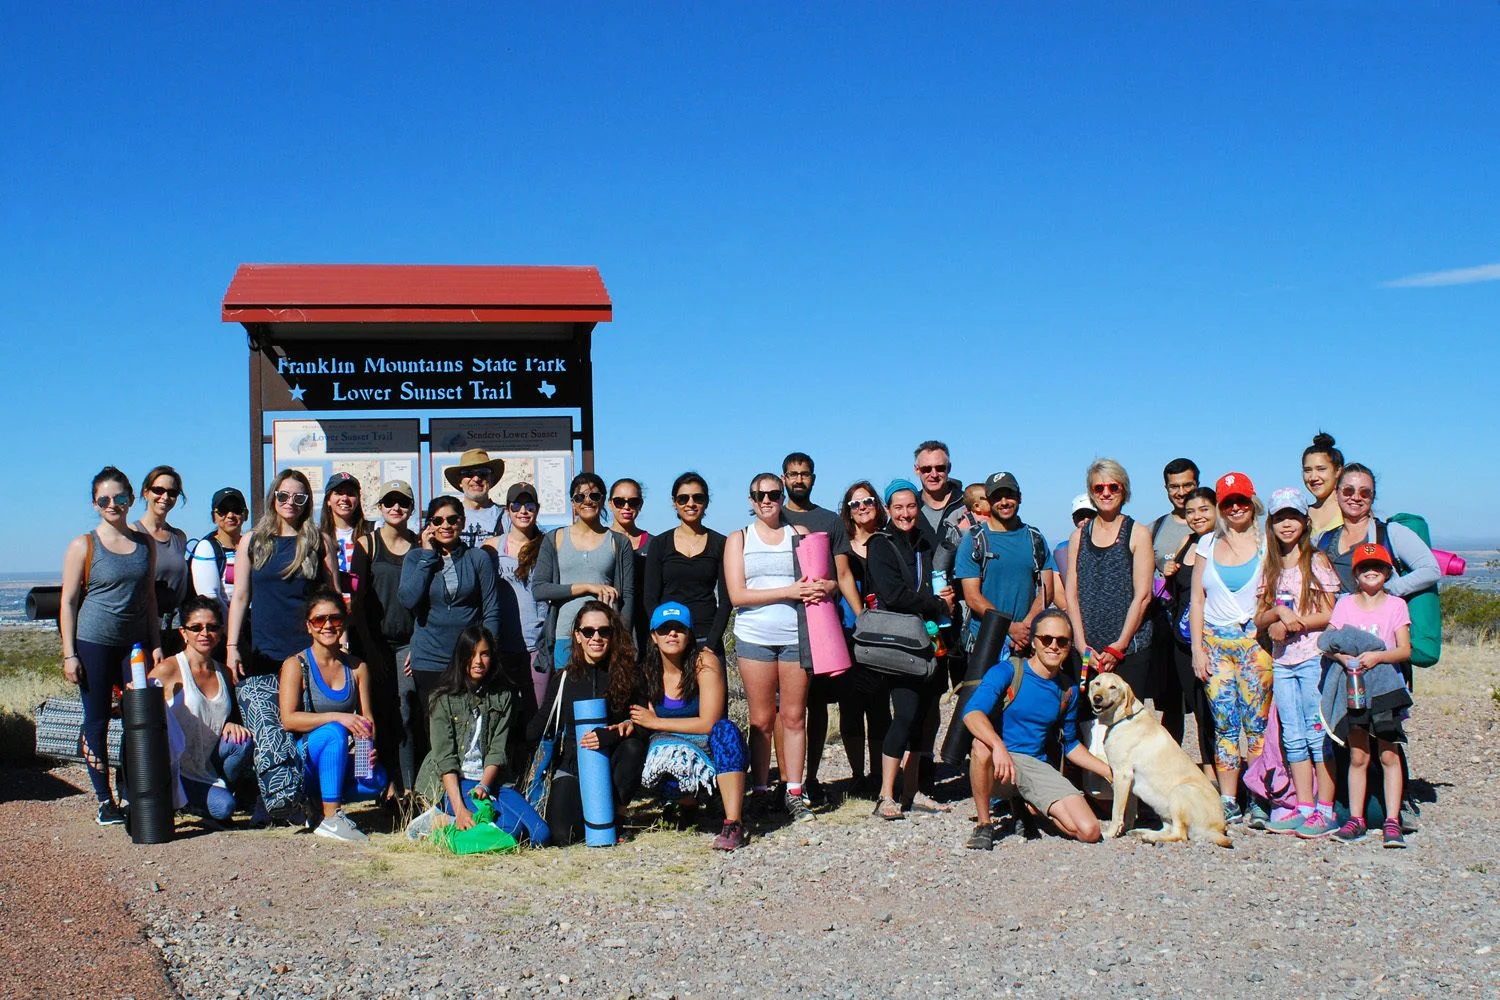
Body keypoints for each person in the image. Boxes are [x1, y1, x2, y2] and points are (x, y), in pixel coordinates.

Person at [226, 469, 338, 820]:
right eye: (284, 496)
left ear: (307, 502)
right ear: (273, 497)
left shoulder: (319, 540)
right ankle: (269, 797)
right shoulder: (252, 541)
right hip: (264, 649)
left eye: (299, 498)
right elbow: (241, 596)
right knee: (269, 728)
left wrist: (340, 641)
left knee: (305, 722)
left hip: (307, 650)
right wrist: (231, 645)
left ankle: (310, 798)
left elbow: (332, 597)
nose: (291, 503)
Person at [59, 466, 163, 825]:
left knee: (139, 718)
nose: (113, 504)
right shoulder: (83, 545)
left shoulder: (144, 544)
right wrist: (69, 654)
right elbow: (69, 602)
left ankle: (134, 791)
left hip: (133, 644)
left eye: (120, 498)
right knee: (98, 720)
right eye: (104, 499)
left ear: (131, 499)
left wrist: (156, 642)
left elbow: (149, 597)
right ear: (95, 503)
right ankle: (104, 799)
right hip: (94, 642)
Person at [722, 472, 827, 821]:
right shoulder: (739, 539)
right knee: (762, 719)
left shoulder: (800, 535)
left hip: (796, 636)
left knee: (795, 716)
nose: (766, 500)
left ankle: (794, 790)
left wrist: (822, 588)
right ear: (750, 500)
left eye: (773, 494)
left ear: (782, 497)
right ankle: (762, 790)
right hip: (755, 638)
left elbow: (820, 580)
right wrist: (787, 591)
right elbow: (737, 595)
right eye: (759, 495)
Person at [960, 609, 1111, 849]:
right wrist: (998, 746)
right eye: (1046, 639)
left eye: (1062, 641)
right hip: (999, 765)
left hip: (1036, 766)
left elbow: (1070, 744)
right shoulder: (1008, 671)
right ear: (1033, 641)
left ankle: (1027, 805)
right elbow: (972, 714)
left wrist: (1109, 771)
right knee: (981, 745)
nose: (1054, 646)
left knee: (1089, 831)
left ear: (1069, 645)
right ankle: (984, 823)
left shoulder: (1067, 690)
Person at [863, 479, 956, 820]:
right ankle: (886, 795)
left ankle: (913, 791)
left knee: (926, 716)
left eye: (911, 506)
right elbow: (894, 594)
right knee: (904, 714)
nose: (905, 513)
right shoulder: (881, 545)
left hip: (930, 639)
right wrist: (936, 604)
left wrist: (944, 602)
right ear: (888, 510)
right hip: (902, 642)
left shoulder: (922, 542)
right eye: (898, 507)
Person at [1253, 489, 1340, 837]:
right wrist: (1278, 613)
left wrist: (1295, 623)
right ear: (1271, 524)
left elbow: (1333, 613)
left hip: (1311, 659)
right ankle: (1303, 805)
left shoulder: (1315, 561)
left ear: (1305, 521)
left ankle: (1326, 807)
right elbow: (1259, 617)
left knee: (1317, 733)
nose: (1286, 525)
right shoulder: (1271, 566)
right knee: (1292, 736)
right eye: (1279, 519)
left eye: (1293, 517)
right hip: (1283, 662)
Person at [629, 602, 750, 851]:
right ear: (653, 636)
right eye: (664, 629)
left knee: (725, 731)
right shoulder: (647, 672)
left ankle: (734, 824)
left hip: (709, 751)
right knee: (656, 753)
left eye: (679, 629)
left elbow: (709, 723)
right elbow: (645, 723)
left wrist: (658, 722)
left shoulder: (705, 662)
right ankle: (687, 806)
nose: (671, 634)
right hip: (673, 751)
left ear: (690, 633)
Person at [1188, 472, 1271, 825]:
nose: (1235, 508)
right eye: (1228, 503)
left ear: (1253, 502)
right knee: (1224, 724)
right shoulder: (1206, 544)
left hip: (1256, 644)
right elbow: (1197, 599)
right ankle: (1228, 798)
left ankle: (1259, 796)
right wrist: (1197, 649)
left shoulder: (1269, 543)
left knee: (1257, 726)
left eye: (1241, 501)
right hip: (1215, 644)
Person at [398, 495, 503, 771]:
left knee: (467, 726)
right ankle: (430, 792)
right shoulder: (415, 558)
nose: (446, 525)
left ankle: (466, 788)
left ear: (462, 522)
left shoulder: (477, 558)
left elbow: (490, 608)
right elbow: (408, 599)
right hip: (429, 658)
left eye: (453, 519)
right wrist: (428, 555)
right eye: (438, 520)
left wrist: (487, 653)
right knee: (432, 728)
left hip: (467, 659)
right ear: (429, 525)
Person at [527, 602, 645, 844]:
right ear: (577, 636)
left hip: (612, 762)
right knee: (563, 836)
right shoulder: (564, 679)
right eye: (588, 631)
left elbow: (645, 724)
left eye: (604, 631)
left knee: (633, 748)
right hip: (572, 765)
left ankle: (617, 817)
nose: (596, 637)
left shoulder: (630, 675)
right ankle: (590, 811)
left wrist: (613, 734)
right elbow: (541, 723)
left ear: (613, 635)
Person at [780, 452, 861, 802]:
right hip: (783, 622)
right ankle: (785, 783)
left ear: (814, 478)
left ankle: (810, 778)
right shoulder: (772, 516)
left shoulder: (830, 520)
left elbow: (842, 574)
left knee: (817, 707)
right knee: (786, 710)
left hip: (823, 625)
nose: (799, 480)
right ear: (784, 478)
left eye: (805, 474)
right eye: (793, 474)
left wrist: (863, 618)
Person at [278, 588, 385, 843]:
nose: (327, 625)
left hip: (339, 752)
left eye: (335, 619)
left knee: (375, 778)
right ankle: (332, 818)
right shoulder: (296, 664)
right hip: (304, 757)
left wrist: (365, 749)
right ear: (309, 626)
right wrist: (339, 717)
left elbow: (366, 718)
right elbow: (289, 719)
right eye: (319, 620)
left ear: (344, 622)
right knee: (334, 733)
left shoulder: (357, 667)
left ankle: (317, 802)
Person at [1323, 543, 1413, 847]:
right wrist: (1342, 660)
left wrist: (1377, 657)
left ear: (1387, 572)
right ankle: (1356, 818)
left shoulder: (1396, 605)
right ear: (1355, 574)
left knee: (1389, 753)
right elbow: (1330, 642)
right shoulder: (1345, 605)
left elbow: (1404, 649)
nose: (1370, 572)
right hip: (1354, 689)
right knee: (1358, 755)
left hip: (1385, 689)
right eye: (1363, 568)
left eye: (1377, 567)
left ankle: (1392, 819)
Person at [147, 596, 253, 824]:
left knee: (241, 743)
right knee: (224, 810)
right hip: (177, 768)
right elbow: (144, 711)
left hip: (208, 760)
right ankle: (188, 800)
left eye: (212, 627)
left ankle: (220, 790)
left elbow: (216, 714)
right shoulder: (169, 669)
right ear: (183, 632)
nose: (204, 633)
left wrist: (230, 723)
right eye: (196, 628)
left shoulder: (224, 672)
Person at [406, 625, 519, 835]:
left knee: (539, 833)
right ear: (461, 657)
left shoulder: (503, 696)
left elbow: (497, 749)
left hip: (487, 778)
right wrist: (459, 809)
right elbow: (444, 757)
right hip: (454, 781)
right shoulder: (442, 698)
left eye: (484, 654)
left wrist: (484, 786)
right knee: (507, 828)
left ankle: (447, 821)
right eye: (471, 654)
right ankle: (443, 820)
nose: (478, 661)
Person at [1066, 459, 1155, 701]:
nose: (1106, 493)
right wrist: (1080, 642)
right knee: (1086, 720)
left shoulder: (1138, 533)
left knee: (1125, 725)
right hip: (1088, 651)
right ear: (1091, 493)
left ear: (1123, 490)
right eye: (1099, 488)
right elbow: (1071, 594)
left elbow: (1143, 596)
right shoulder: (1078, 537)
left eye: (1113, 487)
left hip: (1129, 649)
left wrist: (1120, 645)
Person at [351, 480, 418, 798]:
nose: (396, 508)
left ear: (411, 508)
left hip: (407, 644)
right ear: (380, 507)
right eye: (389, 502)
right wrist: (368, 650)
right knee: (370, 715)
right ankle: (370, 783)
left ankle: (404, 785)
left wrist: (417, 642)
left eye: (403, 502)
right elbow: (358, 601)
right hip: (371, 643)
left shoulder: (419, 545)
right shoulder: (367, 543)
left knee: (404, 714)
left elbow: (426, 598)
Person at [532, 472, 636, 669]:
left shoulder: (619, 542)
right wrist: (588, 587)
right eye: (580, 497)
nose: (587, 501)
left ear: (603, 500)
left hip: (604, 637)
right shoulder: (554, 538)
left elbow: (628, 596)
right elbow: (539, 589)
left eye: (594, 496)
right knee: (569, 694)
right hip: (565, 635)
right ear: (572, 502)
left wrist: (623, 638)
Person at [952, 472, 1050, 657]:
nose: (1004, 502)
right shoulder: (974, 541)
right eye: (997, 497)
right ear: (989, 501)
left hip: (1026, 643)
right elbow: (972, 597)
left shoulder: (1034, 538)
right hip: (985, 643)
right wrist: (1010, 628)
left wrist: (1025, 629)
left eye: (1010, 495)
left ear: (1019, 497)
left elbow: (1047, 589)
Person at [1319, 464, 1440, 603]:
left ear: (1373, 496)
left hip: (1378, 623)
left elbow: (1431, 570)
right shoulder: (1323, 540)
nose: (1356, 497)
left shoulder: (1391, 533)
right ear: (1336, 492)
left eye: (1364, 493)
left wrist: (1386, 591)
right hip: (1333, 622)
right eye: (1348, 491)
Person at [838, 479, 892, 793]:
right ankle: (857, 775)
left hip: (884, 632)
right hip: (849, 631)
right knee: (850, 704)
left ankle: (878, 774)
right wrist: (862, 617)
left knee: (879, 705)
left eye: (867, 501)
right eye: (855, 503)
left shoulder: (888, 540)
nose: (862, 507)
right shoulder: (842, 543)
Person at [483, 482, 550, 732]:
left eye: (529, 505)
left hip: (537, 645)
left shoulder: (547, 546)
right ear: (507, 510)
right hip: (502, 646)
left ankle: (533, 769)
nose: (523, 511)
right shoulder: (490, 547)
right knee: (501, 717)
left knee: (536, 716)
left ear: (537, 509)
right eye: (517, 505)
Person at [641, 472, 731, 655]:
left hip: (706, 638)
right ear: (674, 503)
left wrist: (712, 643)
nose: (690, 503)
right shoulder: (660, 543)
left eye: (697, 497)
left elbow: (726, 600)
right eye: (683, 498)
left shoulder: (721, 543)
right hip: (670, 637)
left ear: (706, 502)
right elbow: (650, 598)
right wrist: (661, 634)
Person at [1164, 487, 1219, 778]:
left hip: (1212, 638)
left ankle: (1229, 779)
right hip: (1183, 640)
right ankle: (1210, 775)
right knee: (1199, 712)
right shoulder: (1188, 542)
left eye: (1204, 509)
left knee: (1218, 711)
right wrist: (1169, 572)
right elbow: (1178, 593)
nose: (1197, 516)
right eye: (1190, 511)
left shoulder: (1223, 543)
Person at [1148, 459, 1200, 747]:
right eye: (1174, 486)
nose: (1181, 492)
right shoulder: (1155, 528)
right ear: (1166, 488)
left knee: (1207, 706)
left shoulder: (1212, 525)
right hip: (1167, 629)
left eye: (1187, 485)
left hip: (1205, 628)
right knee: (1170, 709)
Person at [136, 465, 191, 651]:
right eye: (158, 490)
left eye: (172, 492)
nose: (165, 497)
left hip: (177, 625)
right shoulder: (132, 534)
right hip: (143, 624)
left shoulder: (179, 537)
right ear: (146, 492)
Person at [189, 487, 249, 656]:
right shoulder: (206, 548)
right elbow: (210, 595)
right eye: (223, 510)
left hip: (253, 627)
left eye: (236, 510)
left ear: (245, 514)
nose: (230, 515)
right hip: (222, 633)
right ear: (214, 516)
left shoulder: (254, 546)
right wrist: (234, 635)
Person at [608, 477, 652, 648]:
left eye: (633, 502)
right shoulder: (600, 541)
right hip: (608, 626)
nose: (626, 507)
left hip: (644, 628)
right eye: (620, 502)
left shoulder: (654, 544)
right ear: (610, 503)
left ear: (640, 504)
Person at [320, 472, 373, 602]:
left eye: (350, 493)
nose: (344, 498)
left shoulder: (372, 532)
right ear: (328, 500)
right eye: (338, 493)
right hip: (332, 613)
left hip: (365, 610)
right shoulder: (318, 537)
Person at [446, 448, 506, 549]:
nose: (476, 479)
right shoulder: (447, 518)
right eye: (468, 473)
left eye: (483, 473)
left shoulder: (506, 517)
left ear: (491, 480)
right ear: (460, 481)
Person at [1049, 494, 1095, 608]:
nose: (1086, 521)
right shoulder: (1062, 551)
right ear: (1074, 520)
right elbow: (1056, 590)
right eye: (1080, 516)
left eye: (1091, 515)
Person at [1301, 432, 1345, 543]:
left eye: (1321, 469)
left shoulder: (1351, 510)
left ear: (1338, 471)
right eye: (1307, 470)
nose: (1313, 477)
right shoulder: (1301, 514)